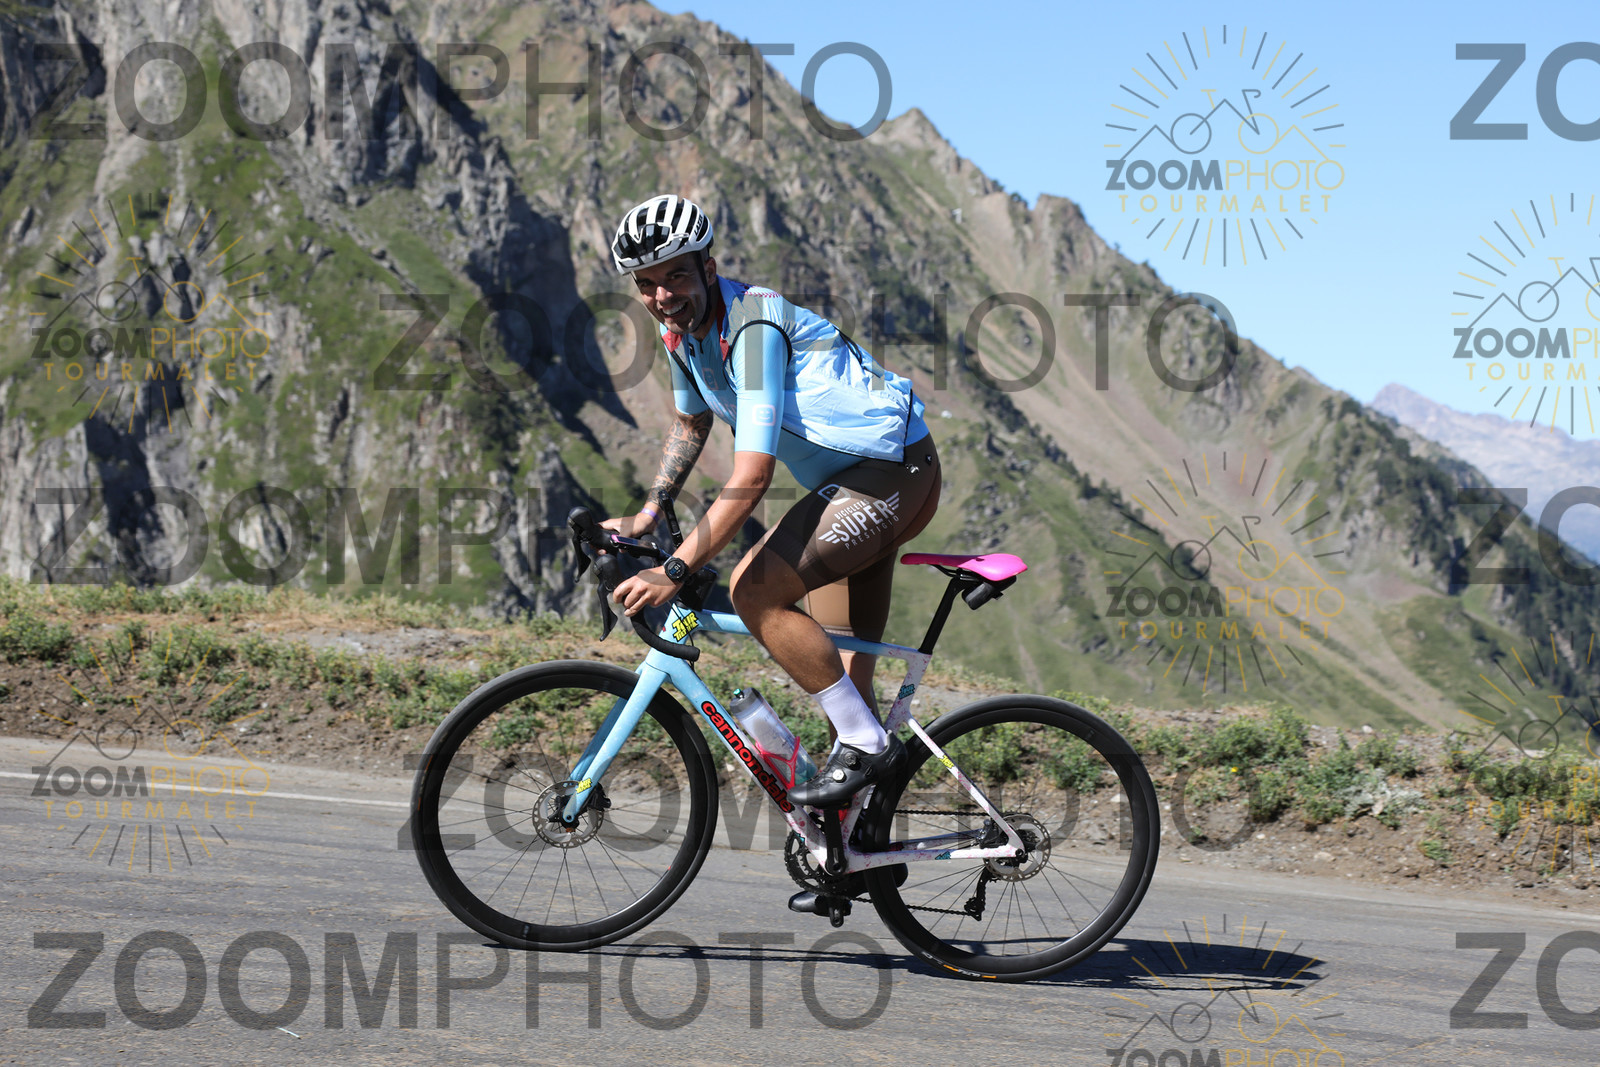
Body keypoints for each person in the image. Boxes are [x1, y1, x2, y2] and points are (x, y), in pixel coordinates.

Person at [603, 193, 940, 815]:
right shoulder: (682, 333)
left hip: (891, 475)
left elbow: (753, 475)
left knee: (754, 591)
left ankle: (870, 748)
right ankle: (860, 848)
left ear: (708, 267)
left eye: (675, 276)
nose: (662, 296)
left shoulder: (752, 330)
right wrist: (648, 515)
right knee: (846, 692)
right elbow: (690, 423)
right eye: (646, 284)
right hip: (852, 487)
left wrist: (673, 568)